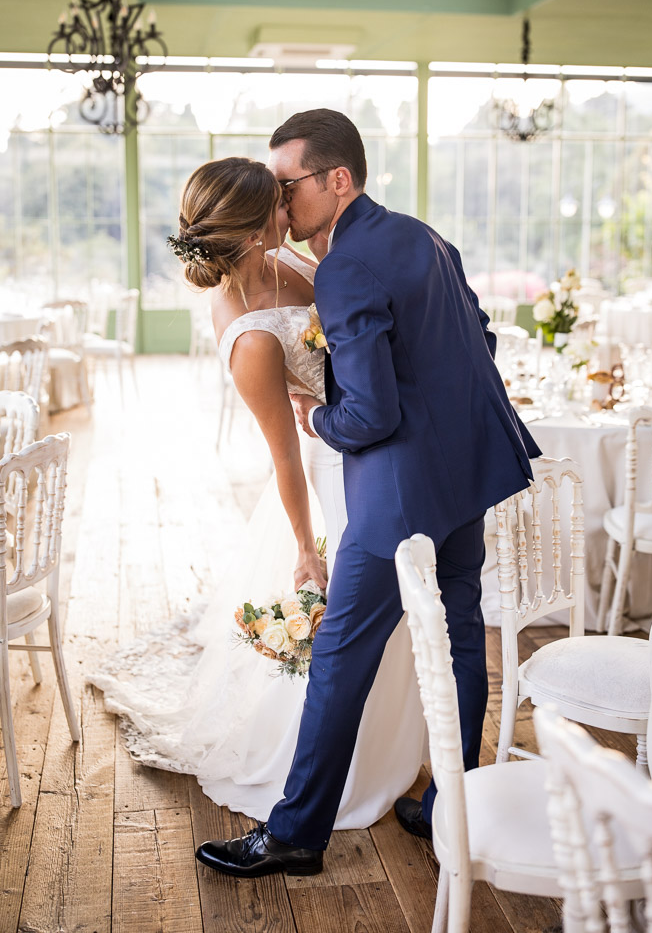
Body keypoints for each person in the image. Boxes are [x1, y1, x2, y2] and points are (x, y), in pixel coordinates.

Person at [194, 111, 541, 879]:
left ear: (337, 180)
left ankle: (295, 834)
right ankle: (450, 807)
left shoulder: (345, 267)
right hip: (469, 470)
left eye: (287, 184)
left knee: (340, 654)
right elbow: (479, 338)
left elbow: (371, 416)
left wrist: (317, 416)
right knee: (460, 634)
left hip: (397, 494)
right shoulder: (422, 235)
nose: (279, 202)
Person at [88, 155, 425, 829]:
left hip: (374, 447)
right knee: (343, 625)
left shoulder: (292, 258)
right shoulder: (250, 340)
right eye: (278, 201)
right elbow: (284, 458)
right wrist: (305, 548)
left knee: (391, 617)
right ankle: (327, 769)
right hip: (328, 476)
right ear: (250, 232)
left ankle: (387, 747)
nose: (288, 208)